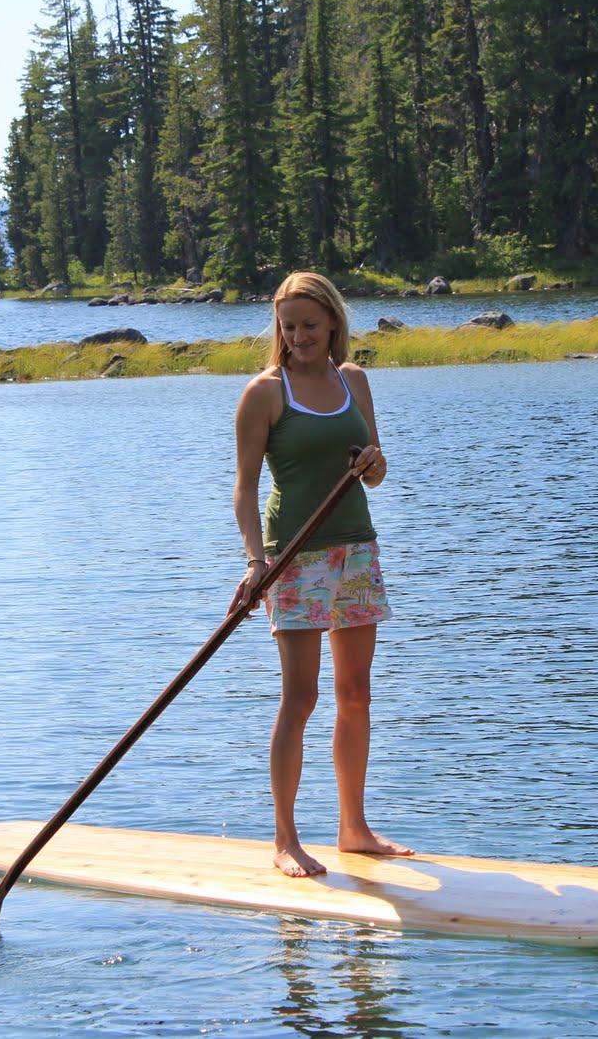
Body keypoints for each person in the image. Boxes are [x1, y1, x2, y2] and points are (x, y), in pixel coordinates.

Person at [231, 271, 413, 878]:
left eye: (310, 325)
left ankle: (353, 829)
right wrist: (257, 564)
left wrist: (374, 462)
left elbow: (375, 472)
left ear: (333, 321)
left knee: (355, 696)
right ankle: (285, 839)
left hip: (355, 552)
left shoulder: (353, 380)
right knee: (300, 698)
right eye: (289, 327)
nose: (299, 336)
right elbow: (245, 489)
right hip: (295, 558)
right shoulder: (265, 392)